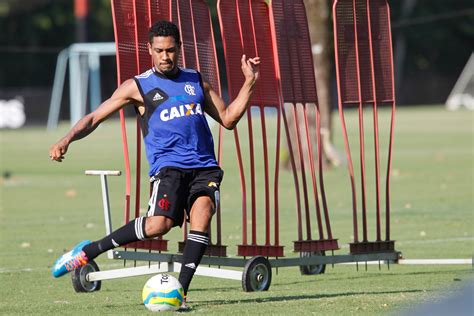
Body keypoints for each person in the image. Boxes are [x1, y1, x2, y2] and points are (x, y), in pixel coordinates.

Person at [49, 20, 260, 308]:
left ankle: (180, 293)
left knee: (203, 215)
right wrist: (67, 138)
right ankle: (89, 250)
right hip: (168, 168)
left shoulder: (195, 80)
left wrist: (249, 82)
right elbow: (95, 117)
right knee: (159, 225)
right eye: (159, 50)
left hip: (204, 167)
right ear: (149, 49)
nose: (165, 56)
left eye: (170, 50)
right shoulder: (137, 86)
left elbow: (228, 118)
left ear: (179, 49)